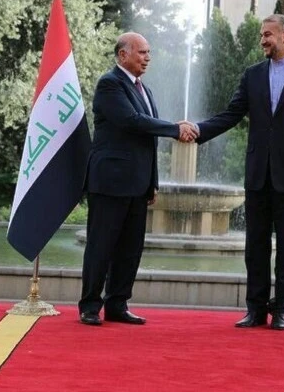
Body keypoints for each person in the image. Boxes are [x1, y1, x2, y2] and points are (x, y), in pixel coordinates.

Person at [192, 14, 284, 330]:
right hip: (258, 175)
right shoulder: (252, 75)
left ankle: (281, 310)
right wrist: (198, 130)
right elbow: (232, 114)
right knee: (255, 247)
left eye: (268, 34)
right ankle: (255, 310)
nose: (262, 40)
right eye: (261, 35)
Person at [78, 32, 197, 326]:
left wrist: (152, 181)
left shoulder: (145, 90)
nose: (148, 58)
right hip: (110, 182)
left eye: (148, 52)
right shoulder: (109, 84)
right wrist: (175, 128)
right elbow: (131, 122)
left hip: (137, 184)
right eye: (142, 52)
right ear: (123, 55)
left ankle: (117, 304)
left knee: (130, 249)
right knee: (101, 245)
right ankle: (90, 306)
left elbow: (147, 142)